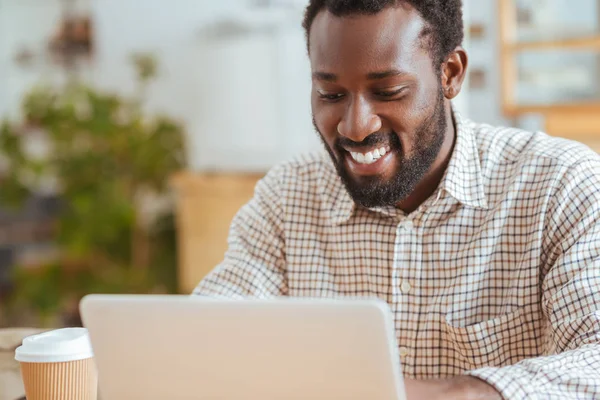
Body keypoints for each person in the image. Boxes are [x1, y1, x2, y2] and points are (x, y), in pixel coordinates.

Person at [193, 0, 600, 398]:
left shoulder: (559, 185)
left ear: (451, 74)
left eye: (388, 91)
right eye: (331, 95)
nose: (355, 127)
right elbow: (209, 336)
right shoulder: (288, 196)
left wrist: (462, 392)